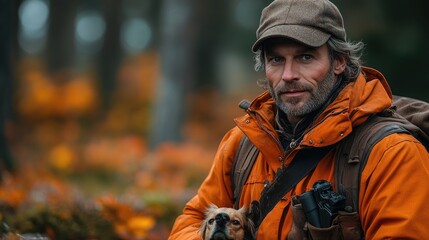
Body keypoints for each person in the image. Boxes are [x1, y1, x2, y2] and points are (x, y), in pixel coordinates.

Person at [169, 0, 429, 239]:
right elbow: (191, 222)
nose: (288, 75)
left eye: (305, 57)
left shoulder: (393, 153)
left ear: (339, 61)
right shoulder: (241, 144)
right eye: (276, 60)